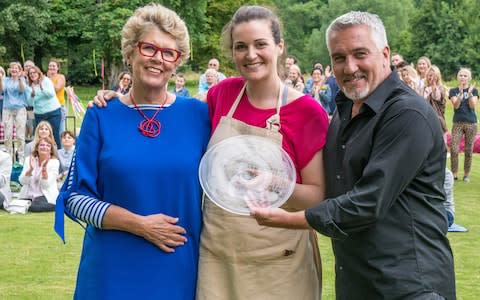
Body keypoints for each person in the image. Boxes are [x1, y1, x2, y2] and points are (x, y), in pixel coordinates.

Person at [250, 11, 456, 300]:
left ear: (385, 54)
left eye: (360, 54)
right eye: (339, 57)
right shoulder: (345, 111)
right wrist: (272, 181)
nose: (350, 67)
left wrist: (287, 220)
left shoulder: (406, 114)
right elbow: (333, 188)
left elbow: (367, 202)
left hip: (410, 286)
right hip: (358, 282)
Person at [54, 4, 210, 299]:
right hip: (110, 272)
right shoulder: (101, 115)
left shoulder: (199, 116)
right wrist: (140, 225)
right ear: (130, 52)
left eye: (169, 52)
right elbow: (74, 197)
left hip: (176, 267)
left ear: (177, 62)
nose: (158, 59)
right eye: (149, 48)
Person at [197, 5, 328, 300]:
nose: (250, 54)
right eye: (240, 46)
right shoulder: (222, 95)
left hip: (278, 263)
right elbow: (174, 120)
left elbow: (318, 196)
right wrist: (123, 100)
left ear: (279, 47)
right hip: (218, 257)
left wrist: (272, 182)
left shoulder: (307, 112)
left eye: (260, 44)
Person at [449, 67, 478, 183]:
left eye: (465, 76)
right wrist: (461, 93)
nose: (463, 77)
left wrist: (470, 94)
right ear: (457, 77)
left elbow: (472, 106)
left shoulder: (474, 91)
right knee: (454, 149)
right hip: (458, 123)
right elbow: (456, 106)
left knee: (468, 150)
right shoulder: (453, 90)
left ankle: (466, 175)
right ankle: (454, 174)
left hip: (471, 123)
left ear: (469, 78)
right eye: (461, 75)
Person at [18, 136, 59, 212]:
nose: (44, 147)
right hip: (28, 195)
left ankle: (54, 206)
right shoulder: (29, 159)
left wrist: (44, 172)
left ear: (51, 149)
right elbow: (22, 182)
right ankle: (28, 205)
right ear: (37, 148)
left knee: (35, 206)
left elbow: (46, 185)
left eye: (48, 146)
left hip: (44, 195)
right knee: (21, 204)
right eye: (42, 145)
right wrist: (30, 170)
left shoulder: (54, 162)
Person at [25, 65, 62, 147]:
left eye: (34, 72)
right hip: (39, 114)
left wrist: (42, 88)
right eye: (30, 73)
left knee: (54, 135)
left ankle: (57, 157)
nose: (32, 74)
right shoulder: (29, 86)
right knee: (41, 137)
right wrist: (32, 95)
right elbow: (30, 103)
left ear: (38, 73)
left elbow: (51, 94)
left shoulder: (46, 80)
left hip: (53, 112)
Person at [0, 62, 28, 164]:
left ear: (20, 70)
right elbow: (2, 90)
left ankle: (21, 158)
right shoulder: (6, 80)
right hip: (7, 109)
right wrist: (0, 79)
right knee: (7, 136)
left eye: (16, 68)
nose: (14, 70)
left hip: (20, 109)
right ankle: (9, 158)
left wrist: (20, 78)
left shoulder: (23, 80)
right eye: (12, 68)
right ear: (10, 70)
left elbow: (22, 89)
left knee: (20, 135)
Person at [47, 59, 67, 134]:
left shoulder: (61, 77)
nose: (51, 67)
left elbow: (56, 89)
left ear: (57, 68)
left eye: (53, 66)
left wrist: (49, 79)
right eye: (50, 66)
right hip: (48, 107)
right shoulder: (45, 78)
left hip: (59, 106)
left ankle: (61, 146)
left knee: (60, 130)